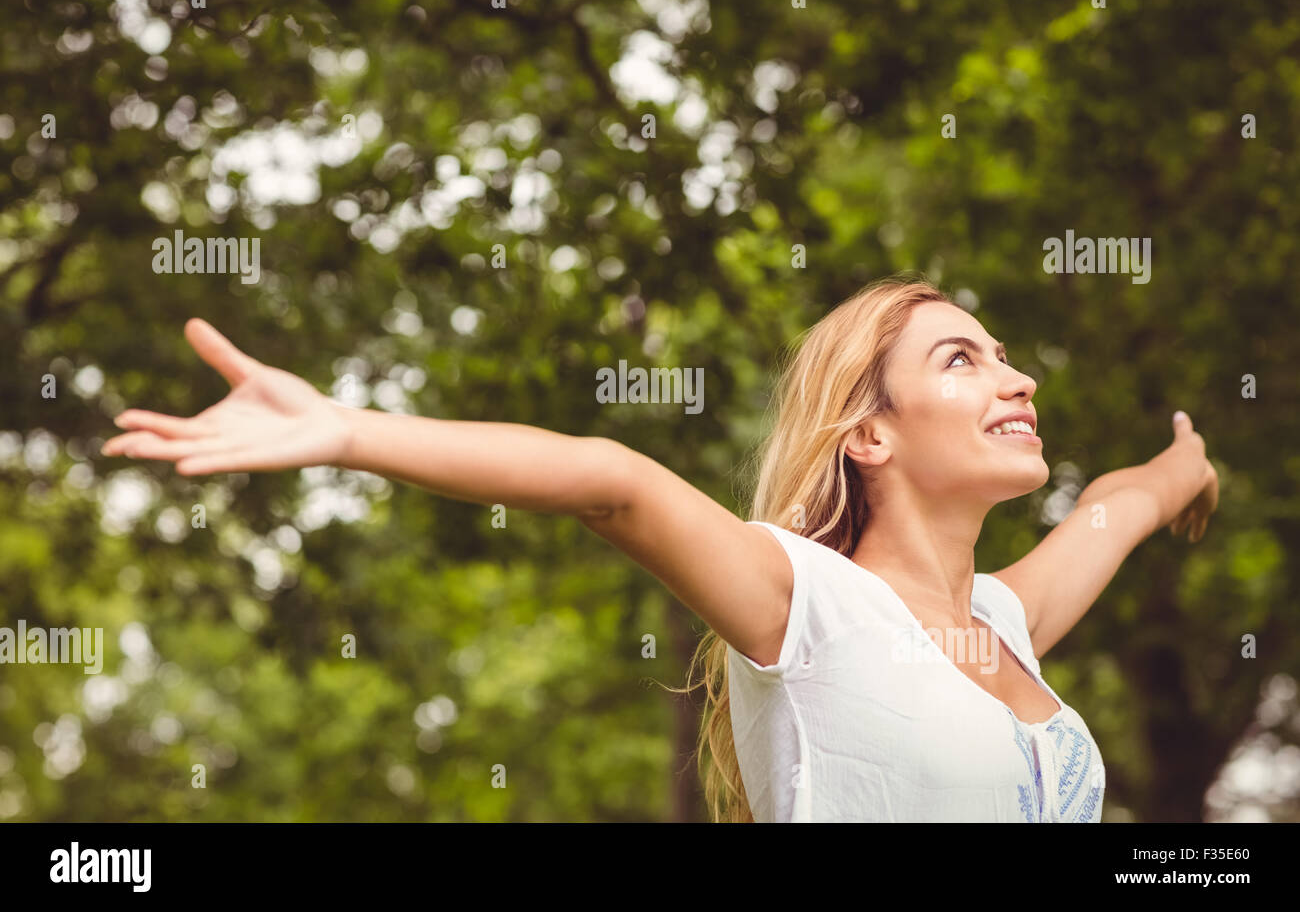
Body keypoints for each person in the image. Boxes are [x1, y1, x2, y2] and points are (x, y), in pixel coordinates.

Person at [100, 276, 1219, 821]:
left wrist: (1185, 470)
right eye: (962, 360)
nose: (1015, 377)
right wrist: (347, 430)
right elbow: (614, 484)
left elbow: (1113, 508)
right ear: (869, 432)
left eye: (1006, 355)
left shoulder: (1006, 620)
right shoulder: (806, 601)